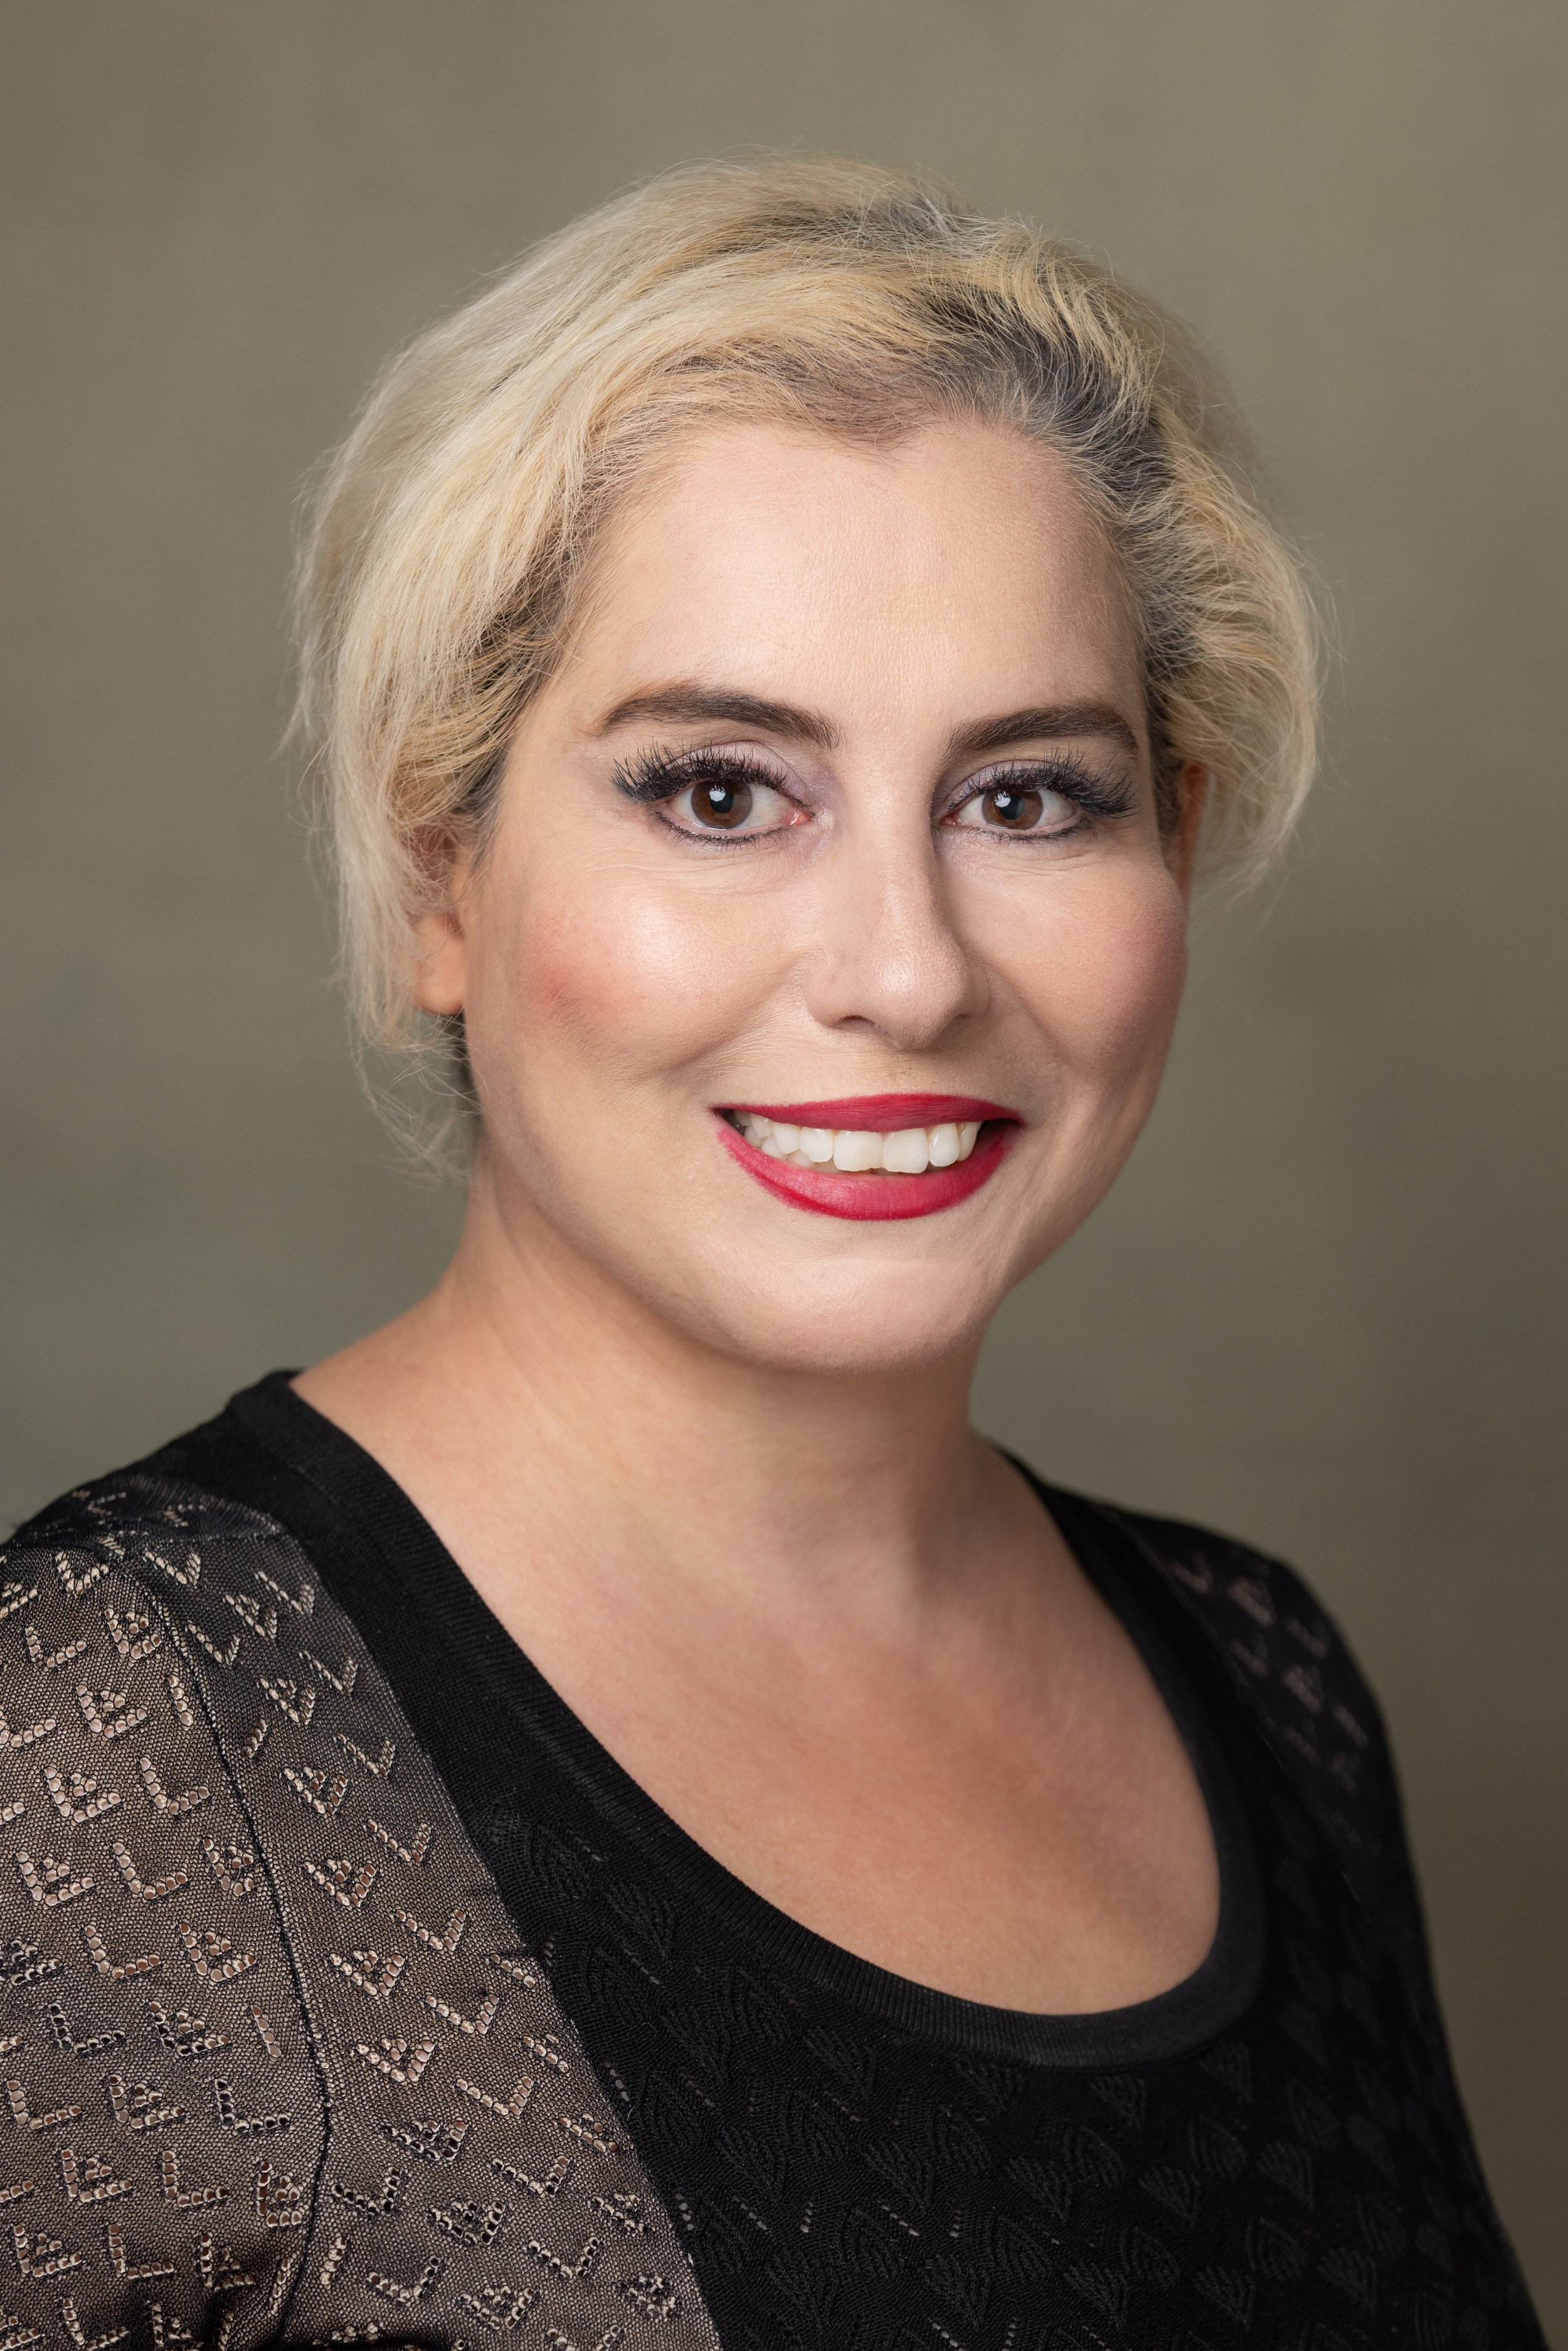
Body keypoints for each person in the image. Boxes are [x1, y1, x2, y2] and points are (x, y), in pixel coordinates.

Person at [3, 157, 1541, 2351]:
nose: (904, 971)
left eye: (1027, 797)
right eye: (722, 791)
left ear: (1171, 850)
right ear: (444, 875)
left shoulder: (1261, 1689)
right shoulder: (107, 1758)